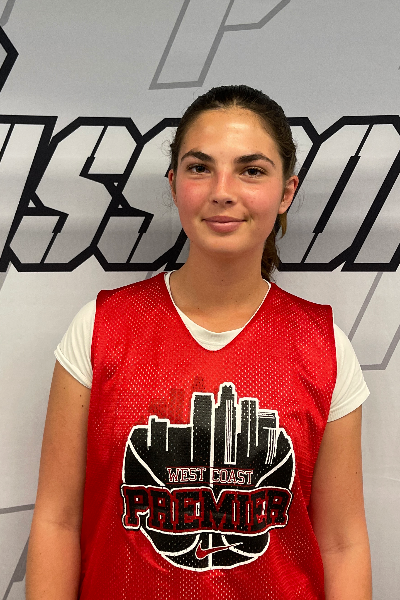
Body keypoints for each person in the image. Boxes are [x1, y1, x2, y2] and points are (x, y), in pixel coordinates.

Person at [26, 85, 372, 599]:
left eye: (251, 170)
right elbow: (57, 520)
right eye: (200, 167)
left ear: (286, 192)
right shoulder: (100, 328)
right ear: (174, 184)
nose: (222, 191)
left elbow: (342, 543)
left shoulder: (323, 347)